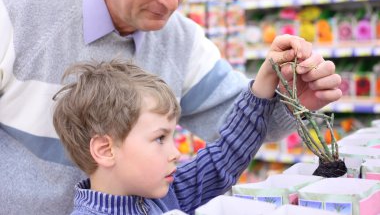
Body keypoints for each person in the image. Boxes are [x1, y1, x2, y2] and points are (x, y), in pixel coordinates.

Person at [0, 0, 342, 214]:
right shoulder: (14, 6)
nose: (171, 0)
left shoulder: (162, 192)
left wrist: (283, 92)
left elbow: (229, 148)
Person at [52, 45, 314, 215]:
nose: (175, 153)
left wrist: (264, 84)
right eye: (159, 138)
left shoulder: (164, 192)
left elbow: (222, 158)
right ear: (106, 149)